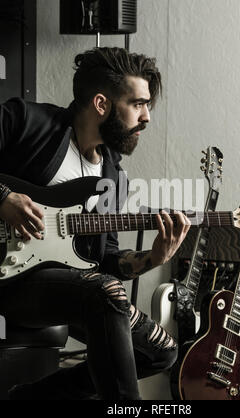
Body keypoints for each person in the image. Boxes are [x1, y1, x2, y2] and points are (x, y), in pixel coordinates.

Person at [0, 47, 191, 400]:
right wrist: (3, 198)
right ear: (101, 104)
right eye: (138, 103)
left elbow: (107, 261)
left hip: (59, 288)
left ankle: (30, 398)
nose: (147, 116)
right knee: (104, 290)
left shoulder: (112, 178)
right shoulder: (25, 121)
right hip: (9, 282)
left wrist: (153, 258)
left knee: (161, 351)